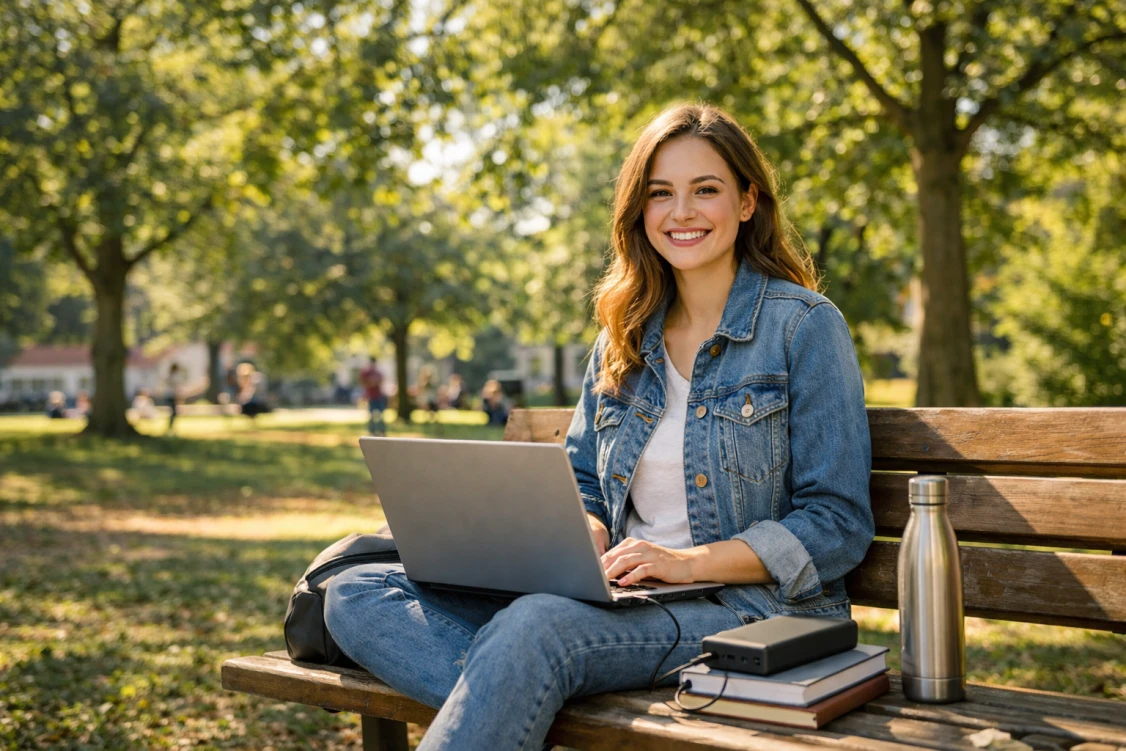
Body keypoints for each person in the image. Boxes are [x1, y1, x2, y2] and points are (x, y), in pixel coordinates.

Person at [323, 103, 874, 750]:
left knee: (533, 631)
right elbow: (586, 479)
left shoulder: (803, 327)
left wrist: (682, 562)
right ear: (639, 211)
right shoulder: (624, 337)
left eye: (706, 190)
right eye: (660, 193)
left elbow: (836, 523)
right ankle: (521, 692)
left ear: (748, 201)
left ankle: (521, 690)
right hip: (617, 602)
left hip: (743, 612)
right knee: (355, 591)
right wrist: (577, 542)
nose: (682, 212)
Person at [359, 356, 387, 436]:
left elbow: (380, 380)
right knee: (371, 415)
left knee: (381, 415)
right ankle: (372, 432)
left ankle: (382, 431)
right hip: (371, 397)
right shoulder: (366, 372)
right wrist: (370, 383)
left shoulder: (377, 372)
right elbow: (362, 380)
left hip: (378, 396)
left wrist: (373, 382)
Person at [166, 362, 185, 432]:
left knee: (173, 412)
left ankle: (170, 426)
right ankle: (170, 427)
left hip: (169, 395)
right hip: (172, 395)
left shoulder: (169, 376)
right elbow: (176, 387)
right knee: (174, 412)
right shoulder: (174, 377)